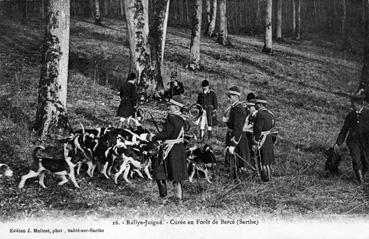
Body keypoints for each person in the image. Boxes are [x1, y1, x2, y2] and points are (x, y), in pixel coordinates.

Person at [148, 95, 190, 202]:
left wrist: (154, 137)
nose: (168, 107)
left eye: (170, 106)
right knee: (177, 176)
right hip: (179, 149)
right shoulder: (183, 119)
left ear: (176, 107)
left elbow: (167, 134)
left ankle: (163, 199)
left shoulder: (171, 118)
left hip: (169, 149)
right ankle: (179, 200)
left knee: (159, 172)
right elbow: (185, 129)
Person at [334, 90, 369, 184]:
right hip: (353, 142)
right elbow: (344, 130)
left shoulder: (367, 114)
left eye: (353, 104)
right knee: (356, 159)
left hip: (366, 142)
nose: (352, 105)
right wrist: (338, 143)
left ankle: (363, 174)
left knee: (366, 162)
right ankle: (360, 180)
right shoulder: (350, 115)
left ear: (359, 104)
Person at [222, 86, 250, 179]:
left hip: (237, 138)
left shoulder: (238, 108)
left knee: (237, 161)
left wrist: (233, 144)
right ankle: (234, 177)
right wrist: (227, 121)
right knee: (233, 160)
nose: (229, 98)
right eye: (229, 96)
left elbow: (238, 128)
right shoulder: (234, 107)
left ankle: (238, 179)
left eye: (231, 96)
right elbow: (232, 124)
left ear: (236, 96)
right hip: (233, 136)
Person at [253, 95, 275, 182]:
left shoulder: (259, 114)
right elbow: (273, 124)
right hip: (269, 137)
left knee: (262, 159)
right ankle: (269, 176)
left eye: (256, 104)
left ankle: (265, 178)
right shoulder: (270, 114)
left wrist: (256, 140)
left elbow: (258, 129)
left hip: (262, 139)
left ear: (260, 104)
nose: (255, 105)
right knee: (268, 160)